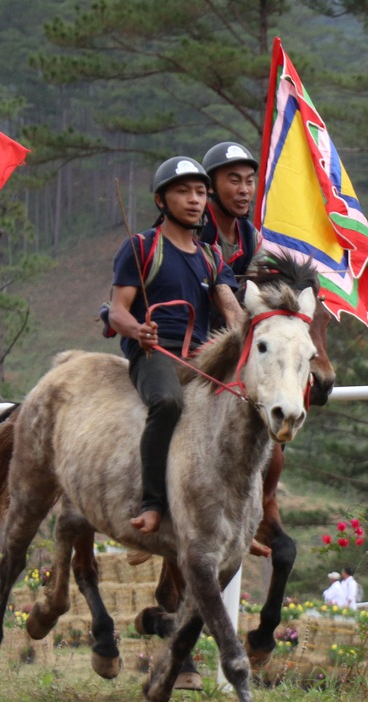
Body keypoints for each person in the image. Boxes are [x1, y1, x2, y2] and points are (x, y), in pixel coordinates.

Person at [107, 155, 243, 539]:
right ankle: (152, 504)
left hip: (202, 356)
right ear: (161, 201)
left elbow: (231, 310)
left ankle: (245, 514)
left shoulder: (212, 257)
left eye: (200, 192)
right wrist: (138, 331)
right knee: (168, 402)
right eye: (183, 191)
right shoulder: (141, 247)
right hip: (154, 352)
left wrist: (251, 336)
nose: (194, 199)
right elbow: (117, 311)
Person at [199, 141, 262, 286]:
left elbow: (255, 289)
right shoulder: (193, 230)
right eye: (235, 181)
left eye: (250, 181)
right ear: (210, 186)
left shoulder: (252, 238)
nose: (244, 190)